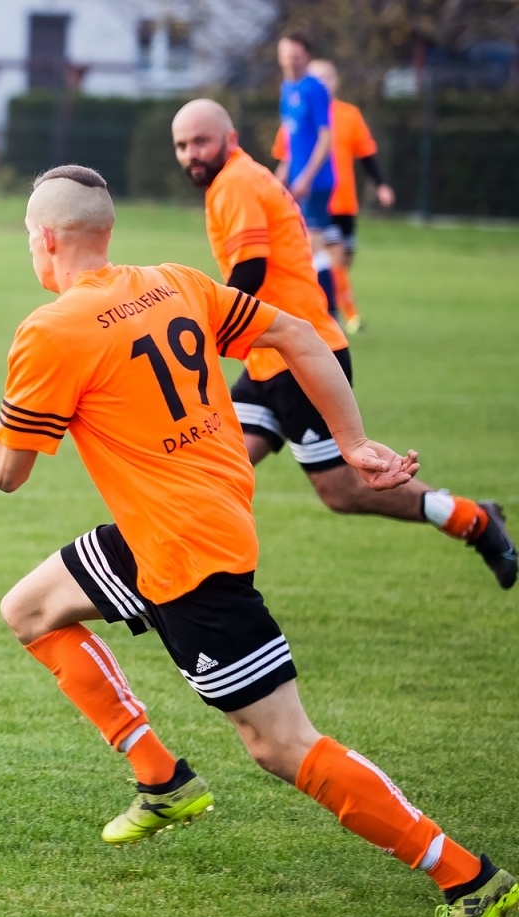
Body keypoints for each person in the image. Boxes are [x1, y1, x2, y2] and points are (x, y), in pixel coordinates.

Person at [0, 164, 515, 917]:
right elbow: (298, 333)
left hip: (186, 556)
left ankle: (469, 877)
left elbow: (3, 471)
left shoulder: (52, 331)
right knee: (31, 609)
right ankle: (163, 779)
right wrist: (351, 442)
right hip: (181, 524)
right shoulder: (173, 282)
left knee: (280, 744)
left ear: (44, 238)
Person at [172, 98, 514, 590]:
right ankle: (186, 584)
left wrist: (200, 333)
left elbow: (250, 270)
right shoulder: (237, 179)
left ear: (230, 139)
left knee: (342, 490)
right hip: (270, 359)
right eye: (182, 145)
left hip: (301, 360)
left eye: (200, 141)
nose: (191, 154)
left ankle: (474, 520)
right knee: (216, 466)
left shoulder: (236, 183)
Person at [273, 59, 395, 333]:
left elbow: (367, 154)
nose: (322, 83)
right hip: (316, 201)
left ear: (336, 81)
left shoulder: (349, 114)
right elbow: (286, 156)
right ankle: (341, 315)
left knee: (343, 260)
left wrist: (381, 185)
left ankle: (328, 306)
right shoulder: (298, 108)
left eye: (327, 77)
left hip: (345, 201)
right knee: (331, 254)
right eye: (317, 78)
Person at [272, 33, 338, 315]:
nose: (291, 60)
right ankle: (306, 305)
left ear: (306, 57)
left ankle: (329, 310)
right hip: (298, 179)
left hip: (316, 181)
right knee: (297, 242)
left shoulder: (314, 89)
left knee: (314, 241)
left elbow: (325, 137)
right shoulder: (287, 88)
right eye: (286, 54)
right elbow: (291, 139)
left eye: (296, 55)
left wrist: (306, 177)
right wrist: (280, 176)